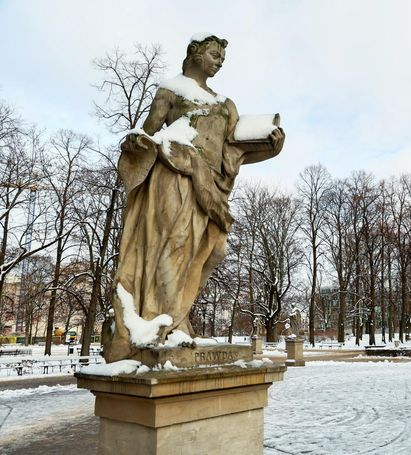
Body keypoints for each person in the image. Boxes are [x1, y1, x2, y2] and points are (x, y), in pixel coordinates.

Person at [104, 35, 285, 362]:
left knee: (214, 250)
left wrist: (271, 142)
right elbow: (149, 133)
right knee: (174, 244)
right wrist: (136, 143)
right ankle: (168, 322)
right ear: (195, 52)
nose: (219, 61)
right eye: (215, 54)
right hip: (175, 175)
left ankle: (175, 314)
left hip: (211, 187)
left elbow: (234, 149)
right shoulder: (170, 92)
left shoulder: (226, 104)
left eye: (222, 58)